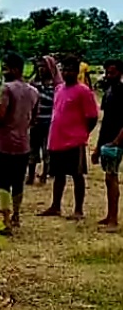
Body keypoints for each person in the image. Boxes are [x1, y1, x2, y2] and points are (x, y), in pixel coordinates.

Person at [40, 56, 100, 221]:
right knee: (58, 175)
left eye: (70, 70)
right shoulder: (59, 89)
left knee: (77, 175)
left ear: (77, 71)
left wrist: (82, 133)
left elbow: (92, 117)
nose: (67, 73)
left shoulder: (83, 91)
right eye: (64, 70)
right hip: (57, 140)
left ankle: (78, 209)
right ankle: (55, 206)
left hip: (74, 140)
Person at [0, 53, 40, 235]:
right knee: (18, 182)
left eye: (6, 67)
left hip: (4, 143)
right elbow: (34, 118)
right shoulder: (34, 92)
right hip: (23, 144)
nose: (4, 71)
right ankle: (16, 214)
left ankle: (6, 220)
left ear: (15, 69)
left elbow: (1, 114)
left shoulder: (6, 88)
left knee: (3, 181)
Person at [92, 59, 123, 232]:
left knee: (112, 178)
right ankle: (109, 215)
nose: (109, 75)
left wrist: (117, 141)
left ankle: (113, 219)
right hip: (107, 140)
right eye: (107, 72)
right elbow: (105, 122)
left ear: (120, 73)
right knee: (108, 178)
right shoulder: (109, 92)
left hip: (116, 142)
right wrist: (98, 146)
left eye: (112, 72)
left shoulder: (122, 92)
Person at [28, 56, 62, 185]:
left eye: (44, 66)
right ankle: (31, 174)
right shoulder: (33, 82)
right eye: (39, 66)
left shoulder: (56, 85)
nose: (41, 69)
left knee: (47, 149)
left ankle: (45, 174)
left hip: (50, 122)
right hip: (35, 122)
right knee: (32, 148)